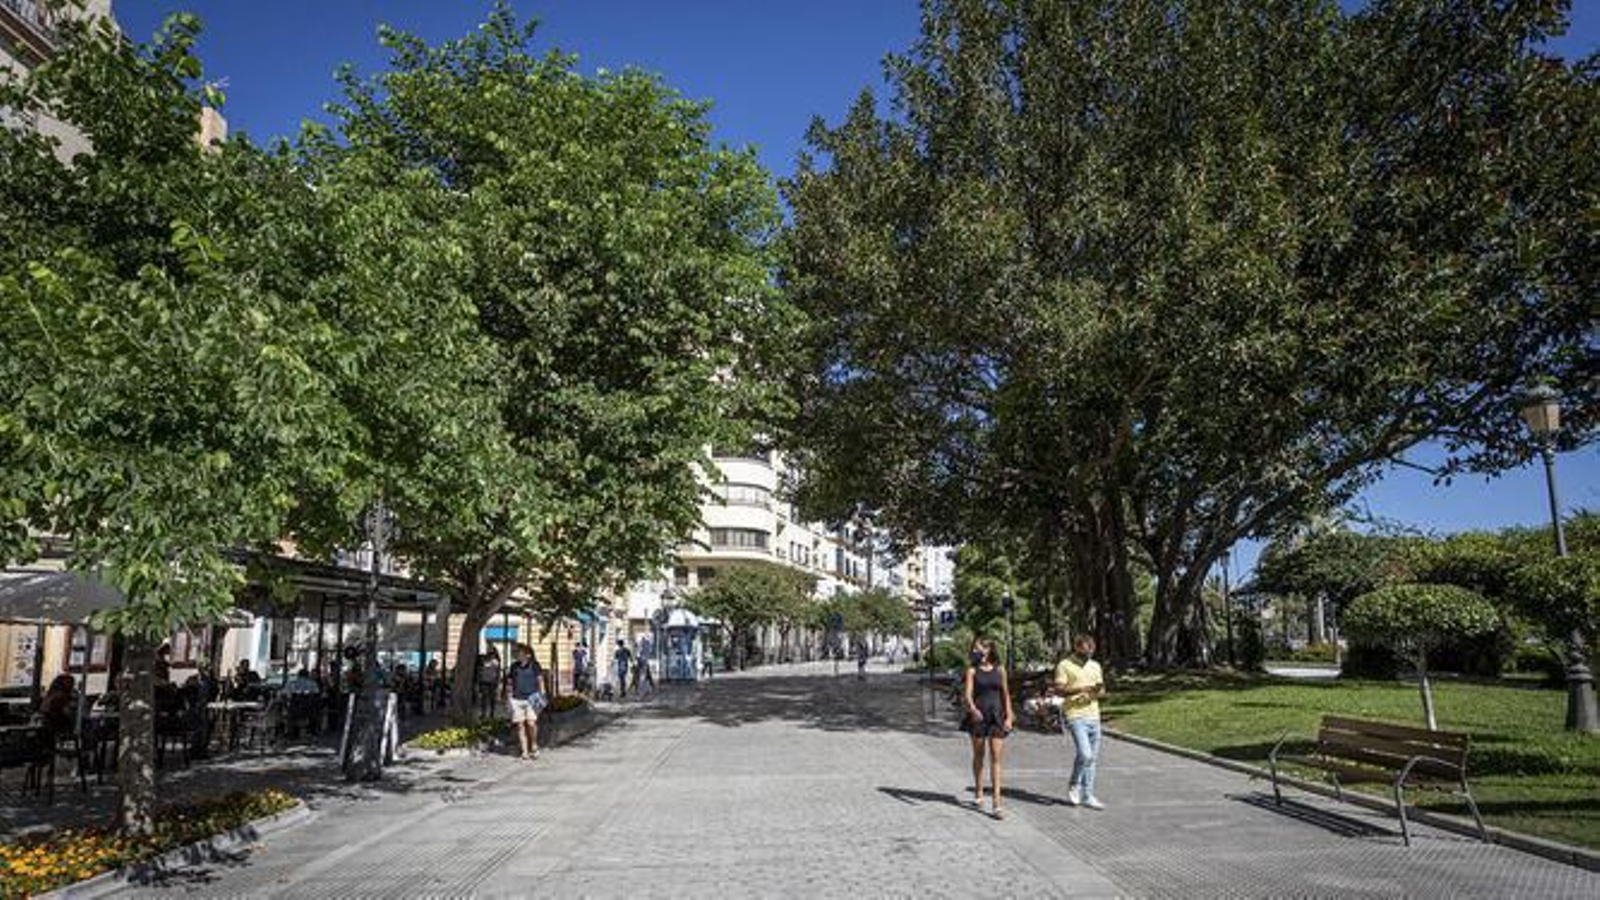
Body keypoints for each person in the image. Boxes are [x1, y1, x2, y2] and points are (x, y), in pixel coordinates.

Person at [1052, 633, 1107, 809]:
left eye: (1091, 652)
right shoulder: (1064, 665)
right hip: (1075, 715)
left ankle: (1087, 795)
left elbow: (1102, 690)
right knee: (1085, 754)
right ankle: (1074, 783)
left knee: (1092, 758)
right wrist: (1081, 689)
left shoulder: (1095, 666)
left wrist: (1098, 692)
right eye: (1085, 652)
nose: (1088, 655)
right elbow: (1059, 690)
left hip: (1094, 715)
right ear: (1076, 648)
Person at [961, 637, 1013, 819]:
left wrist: (1009, 716)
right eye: (974, 648)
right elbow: (967, 695)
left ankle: (997, 803)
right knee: (979, 755)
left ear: (989, 649)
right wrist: (973, 710)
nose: (976, 651)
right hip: (978, 717)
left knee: (996, 758)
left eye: (980, 648)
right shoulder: (972, 670)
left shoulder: (1000, 669)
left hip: (997, 717)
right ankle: (979, 790)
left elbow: (1005, 694)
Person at [504, 644, 548, 760]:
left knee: (531, 723)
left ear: (528, 655)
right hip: (517, 699)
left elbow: (540, 680)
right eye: (517, 652)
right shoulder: (514, 667)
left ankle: (533, 744)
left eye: (520, 652)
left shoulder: (534, 666)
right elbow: (509, 682)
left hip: (531, 698)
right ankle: (524, 751)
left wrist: (542, 694)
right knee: (520, 725)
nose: (518, 654)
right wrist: (508, 697)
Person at [478, 647, 502, 719]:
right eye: (490, 653)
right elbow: (480, 671)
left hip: (492, 682)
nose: (491, 654)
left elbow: (498, 673)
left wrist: (498, 682)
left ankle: (491, 713)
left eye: (492, 653)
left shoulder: (496, 661)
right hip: (485, 681)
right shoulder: (484, 660)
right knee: (484, 698)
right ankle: (484, 713)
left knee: (491, 698)